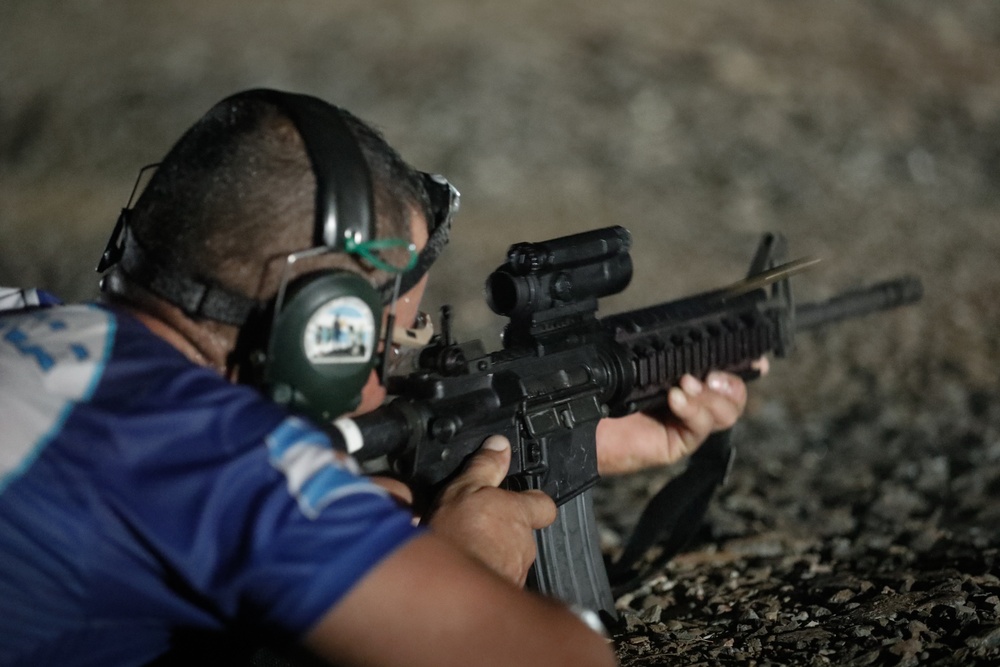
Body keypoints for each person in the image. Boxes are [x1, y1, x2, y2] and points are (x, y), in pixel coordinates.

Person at [0, 89, 752, 667]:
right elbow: (568, 657)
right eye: (389, 348)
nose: (390, 382)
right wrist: (469, 565)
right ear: (321, 337)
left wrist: (576, 441)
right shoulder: (226, 461)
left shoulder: (24, 320)